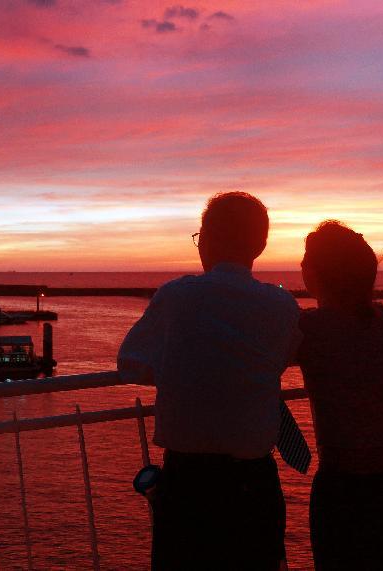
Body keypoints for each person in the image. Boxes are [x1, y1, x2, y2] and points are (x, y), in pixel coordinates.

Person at [118, 191, 301, 570]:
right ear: (261, 244)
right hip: (255, 483)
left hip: (188, 482)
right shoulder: (281, 307)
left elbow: (129, 364)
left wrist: (184, 373)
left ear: (206, 239)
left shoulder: (177, 297)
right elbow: (282, 359)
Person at [297, 220, 383, 570]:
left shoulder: (310, 329)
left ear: (319, 273)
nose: (300, 265)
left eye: (306, 259)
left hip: (347, 492)